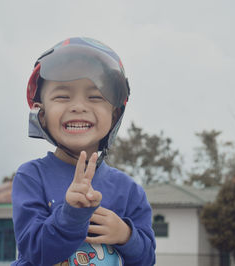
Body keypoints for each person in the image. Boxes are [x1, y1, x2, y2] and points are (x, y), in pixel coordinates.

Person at [11, 37, 156, 266]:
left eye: (95, 96)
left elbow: (147, 260)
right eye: (62, 96)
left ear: (115, 115)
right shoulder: (31, 177)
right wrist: (71, 215)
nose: (78, 106)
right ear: (41, 113)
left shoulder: (129, 191)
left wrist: (127, 236)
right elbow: (35, 252)